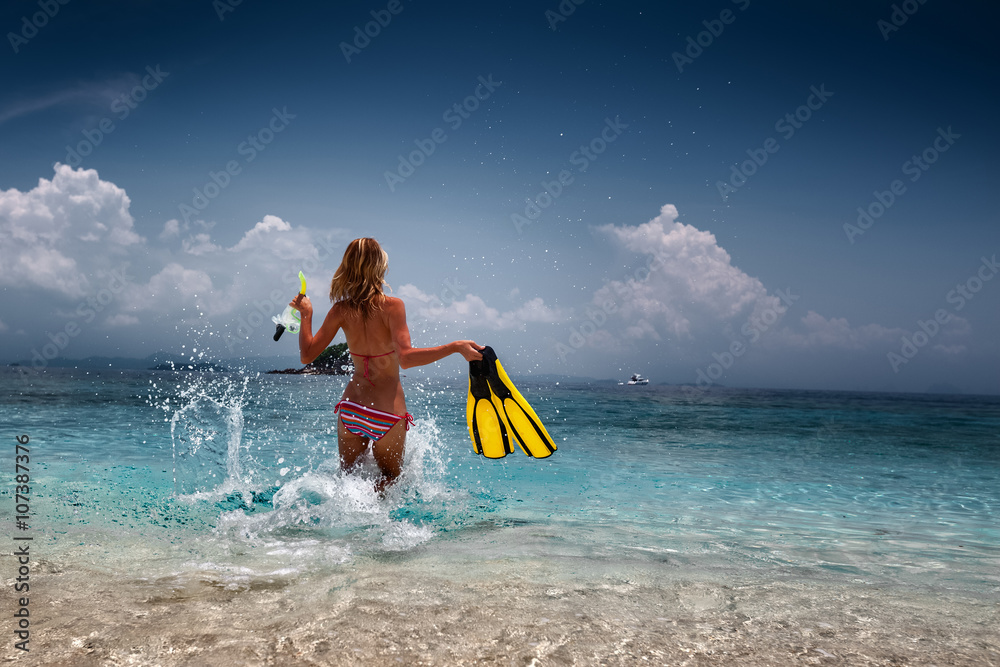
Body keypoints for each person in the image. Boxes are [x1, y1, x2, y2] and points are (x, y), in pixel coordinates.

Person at [290, 238, 482, 492]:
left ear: (347, 268)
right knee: (390, 481)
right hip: (387, 414)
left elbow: (306, 356)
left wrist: (306, 314)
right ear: (380, 267)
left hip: (351, 409)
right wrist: (454, 347)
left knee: (348, 483)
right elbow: (406, 358)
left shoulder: (340, 310)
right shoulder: (393, 306)